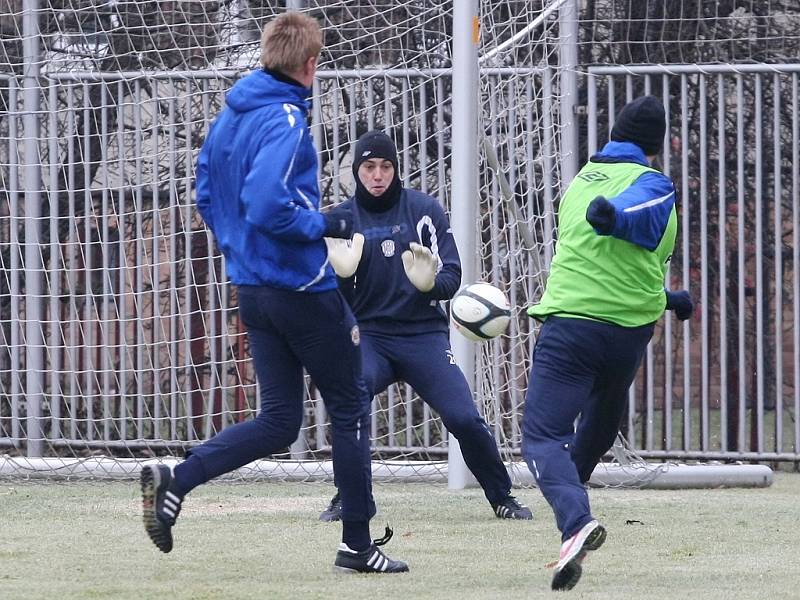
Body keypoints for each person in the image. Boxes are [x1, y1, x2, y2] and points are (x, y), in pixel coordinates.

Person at [139, 12, 409, 574]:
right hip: (300, 289)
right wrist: (323, 226)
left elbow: (207, 191)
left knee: (281, 421)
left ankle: (177, 479)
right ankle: (357, 546)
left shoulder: (231, 115)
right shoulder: (285, 118)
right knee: (350, 405)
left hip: (253, 288)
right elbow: (267, 204)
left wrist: (241, 251)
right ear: (311, 64)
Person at [521, 95, 693, 591]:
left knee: (541, 437)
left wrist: (611, 219)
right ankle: (573, 532)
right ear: (656, 147)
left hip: (572, 331)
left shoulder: (582, 185)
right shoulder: (655, 182)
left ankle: (575, 523)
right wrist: (671, 298)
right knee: (592, 435)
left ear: (613, 135)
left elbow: (623, 221)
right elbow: (629, 246)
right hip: (625, 339)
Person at [318, 129, 532, 523]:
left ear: (396, 169)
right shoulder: (339, 219)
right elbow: (320, 297)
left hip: (423, 337)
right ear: (356, 171)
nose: (377, 175)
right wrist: (342, 278)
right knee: (349, 402)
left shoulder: (424, 210)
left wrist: (431, 283)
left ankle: (503, 497)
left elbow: (453, 276)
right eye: (369, 167)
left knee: (463, 417)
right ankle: (350, 498)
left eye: (385, 166)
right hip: (367, 337)